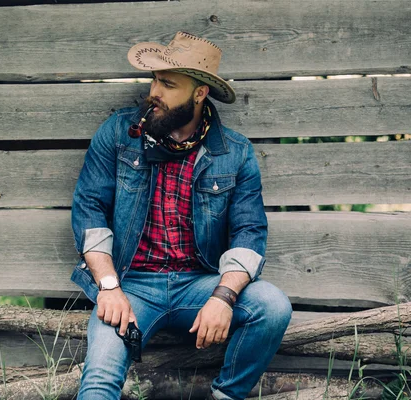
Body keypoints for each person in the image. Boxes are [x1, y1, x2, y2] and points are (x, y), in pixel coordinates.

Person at [70, 31, 292, 400]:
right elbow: (89, 209)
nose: (154, 91)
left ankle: (226, 395)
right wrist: (108, 287)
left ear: (199, 93)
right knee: (99, 380)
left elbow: (249, 232)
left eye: (168, 83)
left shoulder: (234, 153)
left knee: (271, 305)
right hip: (130, 286)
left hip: (198, 285)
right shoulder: (118, 134)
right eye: (155, 79)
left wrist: (223, 297)